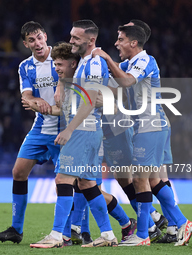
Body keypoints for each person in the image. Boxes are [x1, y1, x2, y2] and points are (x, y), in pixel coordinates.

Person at [93, 25, 192, 246]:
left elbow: (127, 81)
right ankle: (179, 222)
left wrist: (106, 58)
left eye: (120, 39)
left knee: (141, 180)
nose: (116, 43)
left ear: (133, 43)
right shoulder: (128, 64)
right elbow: (113, 81)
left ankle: (143, 235)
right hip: (145, 126)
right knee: (153, 180)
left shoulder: (144, 61)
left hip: (151, 125)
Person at [29, 20, 118, 249]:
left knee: (63, 180)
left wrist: (69, 129)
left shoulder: (94, 63)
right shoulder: (85, 64)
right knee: (88, 184)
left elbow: (90, 100)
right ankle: (107, 235)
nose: (71, 41)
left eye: (75, 38)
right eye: (71, 36)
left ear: (91, 40)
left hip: (82, 130)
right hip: (88, 130)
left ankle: (57, 235)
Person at [0, 21, 61, 244]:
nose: (37, 43)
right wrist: (34, 101)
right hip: (40, 129)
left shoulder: (61, 58)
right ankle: (16, 229)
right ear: (25, 44)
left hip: (65, 128)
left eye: (39, 37)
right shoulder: (25, 67)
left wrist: (41, 104)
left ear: (46, 36)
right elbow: (26, 96)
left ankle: (68, 230)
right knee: (18, 172)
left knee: (69, 182)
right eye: (31, 40)